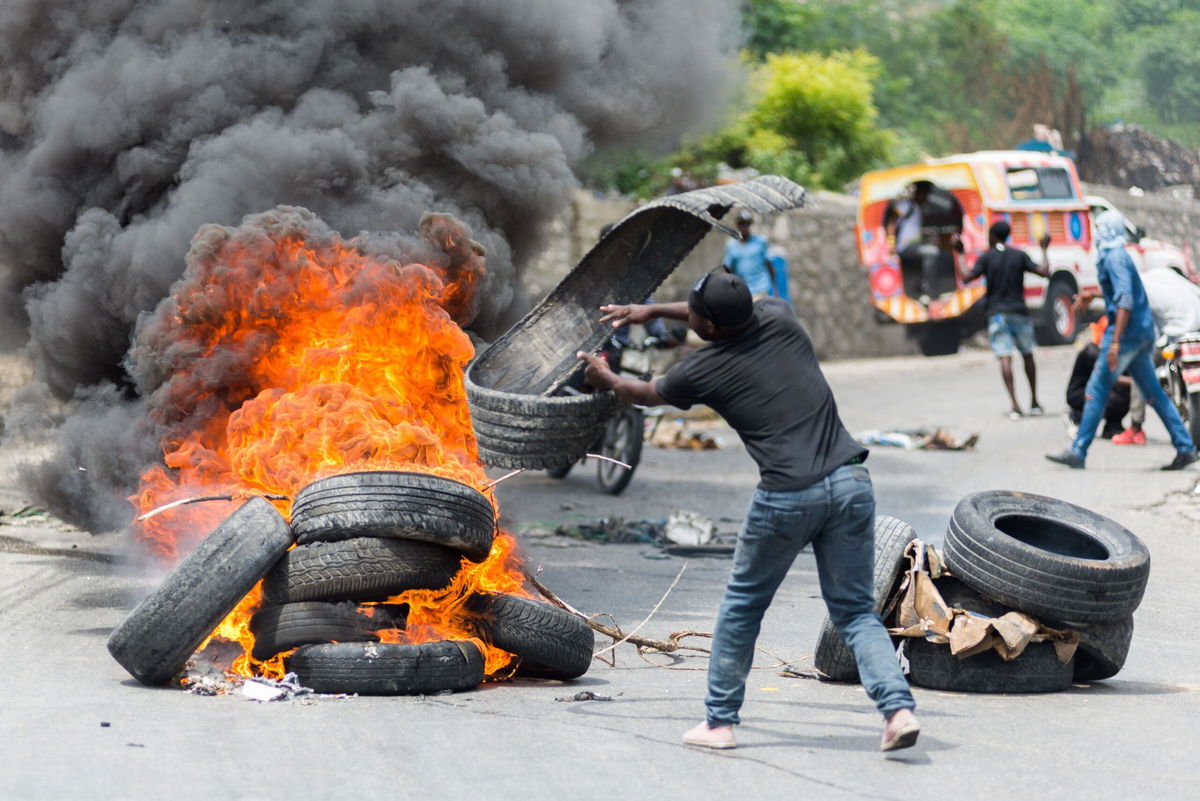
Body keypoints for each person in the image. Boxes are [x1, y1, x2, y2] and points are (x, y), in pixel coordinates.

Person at [576, 271, 920, 752]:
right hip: (851, 481)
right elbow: (718, 311)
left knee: (742, 608)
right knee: (855, 612)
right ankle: (897, 710)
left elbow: (645, 393)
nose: (689, 316)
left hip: (787, 496)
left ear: (709, 328)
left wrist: (604, 377)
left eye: (694, 314)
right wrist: (653, 310)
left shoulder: (701, 370)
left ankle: (719, 723)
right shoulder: (779, 315)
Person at [1046, 210, 1199, 470]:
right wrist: (1090, 296)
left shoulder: (1112, 256)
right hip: (1141, 333)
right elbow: (1122, 290)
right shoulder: (1118, 254)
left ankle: (1078, 450)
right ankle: (1185, 447)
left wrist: (1115, 342)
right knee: (1153, 392)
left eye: (1100, 227)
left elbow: (1125, 299)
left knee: (1096, 389)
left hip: (1125, 334)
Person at [961, 221, 1051, 419]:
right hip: (1019, 312)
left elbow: (966, 276)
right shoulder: (1018, 255)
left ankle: (1015, 405)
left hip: (997, 314)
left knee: (1005, 357)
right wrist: (1044, 249)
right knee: (1027, 354)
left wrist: (959, 253)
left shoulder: (986, 257)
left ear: (992, 236)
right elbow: (1045, 272)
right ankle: (1034, 401)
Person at [1110, 264, 1200, 445]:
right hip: (1197, 331)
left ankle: (1136, 428)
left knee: (1141, 367)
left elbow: (1148, 330)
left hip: (1177, 335)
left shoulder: (1138, 289)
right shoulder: (1165, 275)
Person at [1065, 317, 1130, 440]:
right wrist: (1141, 383)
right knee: (1123, 394)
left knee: (1125, 392)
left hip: (1099, 390)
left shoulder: (1114, 352)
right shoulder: (1092, 352)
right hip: (1079, 395)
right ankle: (1077, 416)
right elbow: (1113, 377)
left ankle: (1113, 425)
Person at [722, 210, 775, 299]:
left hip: (761, 287)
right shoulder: (732, 245)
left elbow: (770, 266)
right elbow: (728, 269)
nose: (744, 227)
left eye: (746, 224)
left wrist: (774, 288)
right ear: (737, 225)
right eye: (741, 224)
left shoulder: (760, 242)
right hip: (742, 290)